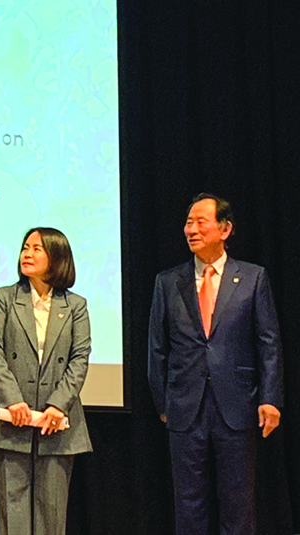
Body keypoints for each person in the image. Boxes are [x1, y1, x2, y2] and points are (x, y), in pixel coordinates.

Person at [148, 193, 282, 535]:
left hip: (236, 406)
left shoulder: (252, 278)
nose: (191, 229)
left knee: (238, 504)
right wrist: (163, 404)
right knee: (189, 505)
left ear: (225, 229)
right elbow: (157, 349)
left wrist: (269, 398)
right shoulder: (168, 282)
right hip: (184, 408)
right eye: (188, 222)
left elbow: (268, 343)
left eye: (200, 222)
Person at [0, 227, 92, 535]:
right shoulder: (4, 298)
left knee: (52, 515)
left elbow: (80, 358)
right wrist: (13, 400)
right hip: (11, 418)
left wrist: (58, 405)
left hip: (56, 422)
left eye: (37, 249)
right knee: (13, 514)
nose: (27, 254)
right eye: (26, 247)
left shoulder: (75, 306)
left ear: (57, 257)